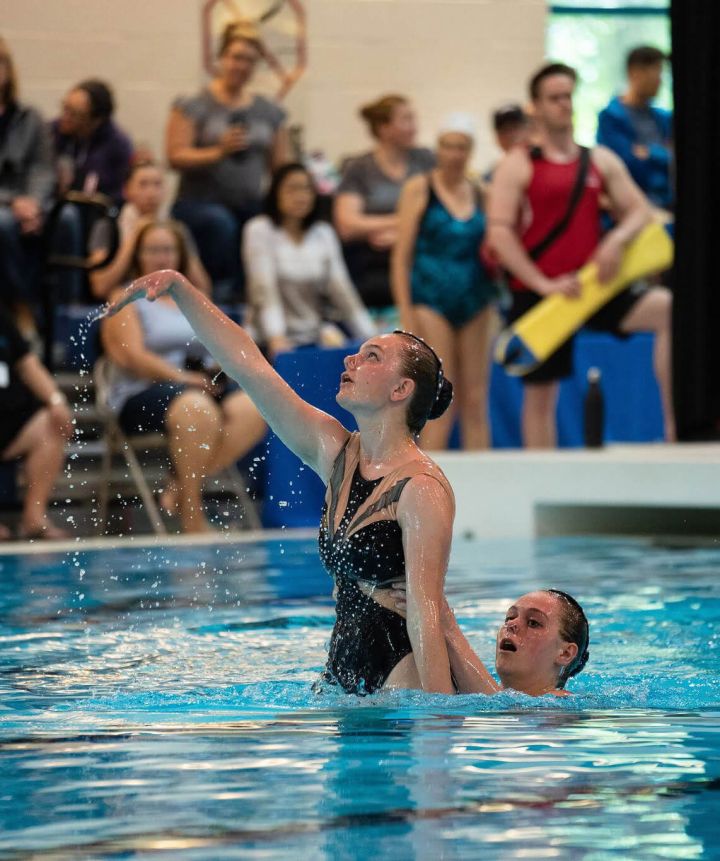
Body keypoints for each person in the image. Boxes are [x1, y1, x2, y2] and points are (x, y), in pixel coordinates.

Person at [108, 270, 457, 695]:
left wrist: (440, 718)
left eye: (372, 357)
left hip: (402, 672)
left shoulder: (421, 488)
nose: (351, 360)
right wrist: (182, 290)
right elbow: (249, 366)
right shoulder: (337, 453)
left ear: (402, 389)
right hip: (342, 671)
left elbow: (426, 613)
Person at [488, 62, 675, 448]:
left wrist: (617, 240)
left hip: (594, 285)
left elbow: (640, 210)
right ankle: (540, 479)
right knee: (540, 397)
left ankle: (676, 428)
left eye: (568, 96)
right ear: (535, 107)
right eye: (554, 98)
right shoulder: (519, 163)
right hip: (543, 293)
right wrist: (543, 283)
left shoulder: (599, 159)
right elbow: (500, 233)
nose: (564, 104)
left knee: (668, 310)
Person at [100, 221, 266, 533]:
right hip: (141, 393)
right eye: (152, 250)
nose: (161, 257)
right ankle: (192, 516)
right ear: (139, 256)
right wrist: (182, 378)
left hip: (197, 386)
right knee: (197, 409)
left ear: (179, 255)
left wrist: (216, 372)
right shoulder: (125, 297)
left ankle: (178, 487)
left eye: (168, 250)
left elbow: (219, 347)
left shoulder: (193, 298)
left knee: (255, 408)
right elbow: (131, 357)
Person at [392, 115, 497, 450]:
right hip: (431, 298)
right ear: (438, 149)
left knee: (477, 397)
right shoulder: (419, 188)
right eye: (448, 146)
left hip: (475, 299)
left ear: (470, 151)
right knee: (441, 393)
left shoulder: (482, 192)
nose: (454, 153)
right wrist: (406, 313)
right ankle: (429, 486)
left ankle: (485, 484)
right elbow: (401, 258)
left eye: (462, 147)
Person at [167, 20, 290, 299]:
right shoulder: (194, 104)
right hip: (199, 203)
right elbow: (175, 156)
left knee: (262, 225)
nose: (241, 66)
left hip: (248, 202)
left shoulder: (269, 111)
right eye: (236, 57)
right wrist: (217, 152)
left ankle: (262, 299)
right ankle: (222, 296)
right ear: (222, 59)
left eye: (249, 60)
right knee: (222, 224)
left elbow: (280, 168)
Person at [242, 163, 375, 358]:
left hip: (312, 337)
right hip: (266, 341)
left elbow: (342, 291)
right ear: (275, 193)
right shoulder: (259, 229)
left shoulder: (323, 233)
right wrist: (275, 337)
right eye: (292, 189)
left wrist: (371, 337)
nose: (301, 196)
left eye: (307, 189)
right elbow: (263, 289)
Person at [391, 586, 590, 696]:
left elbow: (505, 714)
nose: (511, 625)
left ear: (565, 653)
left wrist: (448, 627)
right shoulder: (480, 690)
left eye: (533, 623)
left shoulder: (560, 705)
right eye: (510, 617)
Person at [334, 94, 434, 311]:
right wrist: (403, 222)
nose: (414, 127)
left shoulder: (426, 160)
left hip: (419, 261)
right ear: (384, 127)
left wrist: (403, 234)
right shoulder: (359, 168)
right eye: (406, 120)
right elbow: (347, 225)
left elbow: (438, 213)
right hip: (373, 266)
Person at [0, 303, 73, 540]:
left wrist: (55, 400)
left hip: (11, 416)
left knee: (51, 424)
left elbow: (28, 363)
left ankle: (35, 517)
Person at [88, 159, 211, 299]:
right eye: (143, 184)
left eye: (157, 184)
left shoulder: (177, 229)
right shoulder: (107, 227)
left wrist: (176, 240)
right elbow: (100, 287)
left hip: (168, 301)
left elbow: (203, 288)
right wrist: (136, 235)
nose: (151, 193)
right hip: (125, 302)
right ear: (127, 190)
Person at [0, 37, 55, 332]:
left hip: (29, 203)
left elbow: (43, 168)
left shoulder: (29, 118)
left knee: (67, 219)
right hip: (6, 206)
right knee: (4, 224)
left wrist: (34, 204)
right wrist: (12, 202)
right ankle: (20, 303)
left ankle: (65, 313)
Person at [597, 46, 673, 213]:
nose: (660, 81)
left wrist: (651, 153)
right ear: (635, 72)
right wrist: (663, 154)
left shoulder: (664, 118)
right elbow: (623, 164)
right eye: (656, 72)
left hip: (667, 206)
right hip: (630, 209)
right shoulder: (611, 118)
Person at [51, 78, 133, 204]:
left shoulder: (117, 145)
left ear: (95, 120)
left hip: (95, 207)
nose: (65, 117)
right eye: (65, 108)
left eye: (74, 114)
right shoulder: (52, 133)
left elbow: (119, 192)